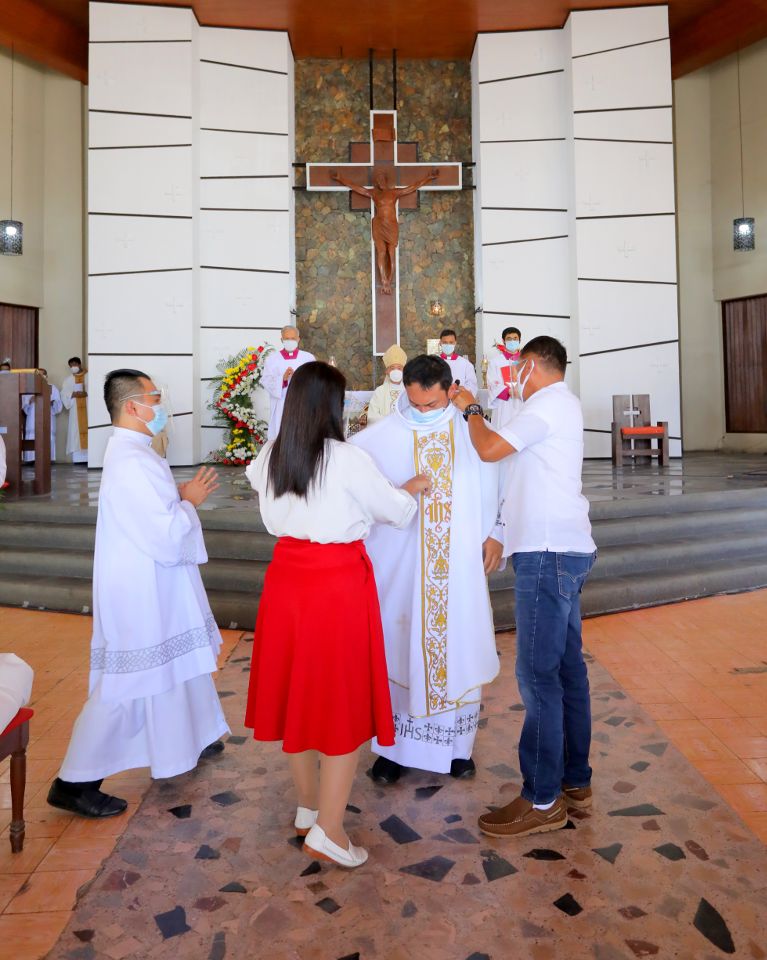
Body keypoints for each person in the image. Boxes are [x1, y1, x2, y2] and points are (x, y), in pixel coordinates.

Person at [245, 361, 429, 869]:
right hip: (335, 585)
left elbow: (269, 509)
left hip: (286, 581)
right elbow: (394, 511)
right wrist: (409, 489)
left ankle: (308, 809)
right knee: (339, 703)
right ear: (331, 407)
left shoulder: (272, 455)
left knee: (298, 697)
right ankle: (328, 829)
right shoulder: (347, 458)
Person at [48, 369, 229, 818]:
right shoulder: (129, 460)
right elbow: (164, 533)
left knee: (179, 664)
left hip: (155, 581)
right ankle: (74, 782)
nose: (161, 404)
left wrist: (180, 498)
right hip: (140, 588)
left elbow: (158, 518)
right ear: (133, 406)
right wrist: (189, 501)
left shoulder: (136, 452)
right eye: (155, 397)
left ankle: (193, 737)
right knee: (130, 682)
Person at [450, 336, 597, 839]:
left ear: (530, 365)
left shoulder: (548, 405)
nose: (512, 375)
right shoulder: (558, 406)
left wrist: (469, 407)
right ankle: (575, 782)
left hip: (548, 554)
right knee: (567, 671)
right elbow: (519, 473)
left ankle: (541, 800)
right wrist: (498, 530)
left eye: (516, 367)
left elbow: (489, 450)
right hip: (565, 547)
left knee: (538, 677)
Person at [351, 355, 504, 783]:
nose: (422, 411)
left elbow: (503, 476)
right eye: (415, 404)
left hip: (457, 571)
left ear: (449, 390)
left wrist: (497, 531)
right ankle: (392, 751)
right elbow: (358, 495)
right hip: (399, 572)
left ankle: (459, 748)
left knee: (458, 646)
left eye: (432, 404)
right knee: (399, 648)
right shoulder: (377, 440)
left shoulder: (472, 432)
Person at [261, 327, 315, 439]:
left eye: (292, 338)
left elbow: (315, 381)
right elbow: (266, 381)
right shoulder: (272, 359)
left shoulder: (308, 358)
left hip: (302, 405)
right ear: (281, 340)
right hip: (281, 406)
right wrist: (282, 379)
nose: (289, 341)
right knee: (282, 437)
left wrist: (299, 378)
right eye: (286, 338)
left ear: (298, 339)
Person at [22, 369, 63, 462]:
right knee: (33, 436)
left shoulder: (52, 388)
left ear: (46, 376)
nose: (41, 377)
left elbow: (58, 404)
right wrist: (29, 401)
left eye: (43, 374)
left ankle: (48, 459)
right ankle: (32, 459)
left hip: (47, 417)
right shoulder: (29, 387)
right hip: (32, 418)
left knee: (47, 436)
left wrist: (52, 402)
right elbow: (24, 404)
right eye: (38, 375)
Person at [487, 326, 523, 430]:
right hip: (504, 406)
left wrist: (520, 391)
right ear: (503, 341)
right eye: (509, 338)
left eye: (515, 338)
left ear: (519, 340)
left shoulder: (525, 361)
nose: (512, 341)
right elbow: (492, 383)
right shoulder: (495, 362)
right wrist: (509, 392)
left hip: (522, 403)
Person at [366, 344, 407, 425]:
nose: (396, 371)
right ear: (387, 371)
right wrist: (390, 421)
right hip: (385, 430)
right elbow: (371, 416)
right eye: (392, 368)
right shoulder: (380, 391)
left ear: (404, 370)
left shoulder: (409, 390)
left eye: (399, 368)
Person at [61, 357, 88, 464]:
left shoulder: (89, 376)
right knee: (76, 432)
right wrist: (73, 394)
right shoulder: (68, 380)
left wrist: (86, 393)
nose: (73, 367)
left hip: (88, 409)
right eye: (71, 365)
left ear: (80, 364)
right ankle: (78, 459)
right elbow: (63, 393)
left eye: (75, 364)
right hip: (75, 411)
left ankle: (89, 458)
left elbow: (95, 390)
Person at [437, 329, 478, 395]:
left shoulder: (465, 364)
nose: (448, 345)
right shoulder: (433, 362)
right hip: (439, 401)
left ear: (455, 343)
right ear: (440, 343)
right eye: (445, 342)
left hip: (459, 400)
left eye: (451, 342)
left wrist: (459, 390)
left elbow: (472, 384)